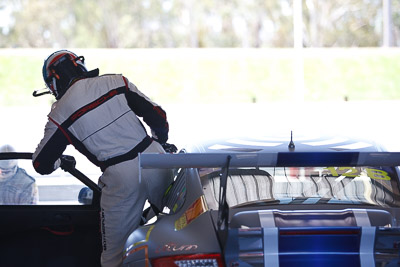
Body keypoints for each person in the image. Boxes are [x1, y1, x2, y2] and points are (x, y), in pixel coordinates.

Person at [32, 50, 175, 267]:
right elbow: (158, 116)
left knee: (114, 258)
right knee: (183, 231)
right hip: (156, 158)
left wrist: (62, 162)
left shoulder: (59, 114)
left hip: (120, 178)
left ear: (53, 83)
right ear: (80, 65)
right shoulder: (116, 82)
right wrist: (159, 143)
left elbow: (41, 164)